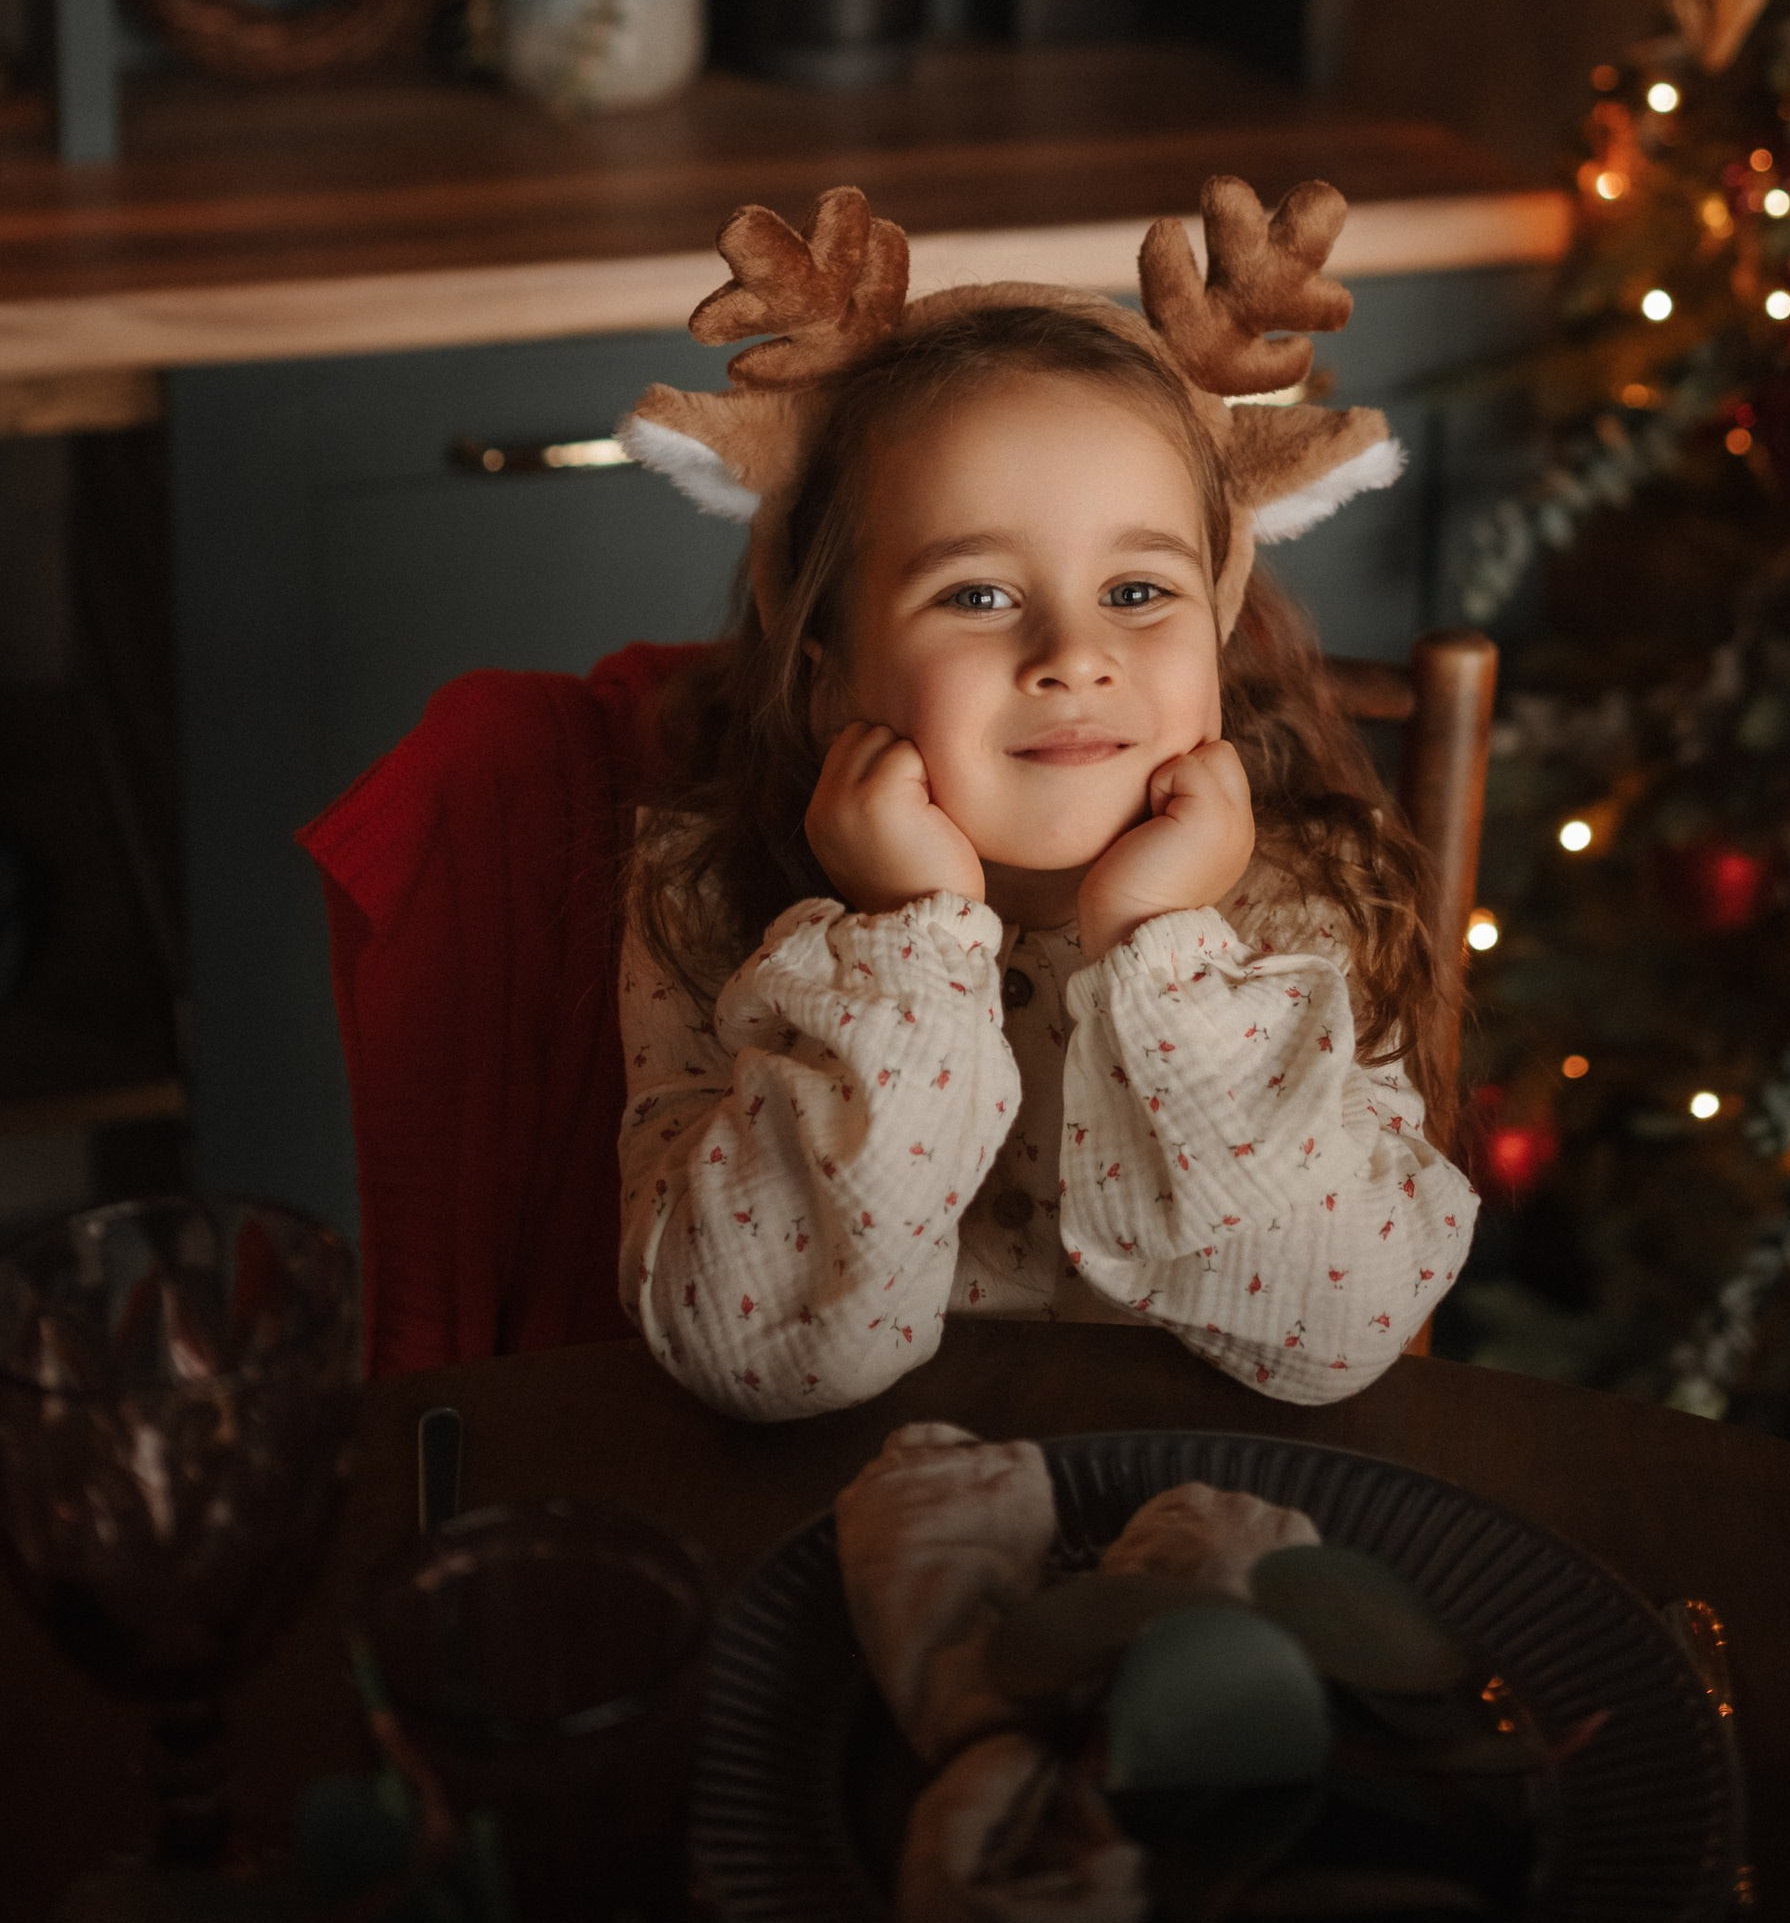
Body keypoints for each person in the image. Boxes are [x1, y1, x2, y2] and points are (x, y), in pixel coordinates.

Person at [613, 179, 1479, 1421]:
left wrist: (1157, 951)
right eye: (975, 595)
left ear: (1217, 636)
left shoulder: (1315, 903)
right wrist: (909, 940)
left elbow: (1344, 1332)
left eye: (1138, 594)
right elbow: (750, 1357)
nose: (1074, 655)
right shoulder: (706, 900)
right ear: (826, 679)